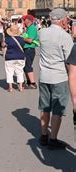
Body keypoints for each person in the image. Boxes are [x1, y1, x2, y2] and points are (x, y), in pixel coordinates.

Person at [38, 8, 73, 149]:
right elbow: (70, 59)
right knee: (57, 109)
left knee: (44, 107)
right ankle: (53, 140)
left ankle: (44, 136)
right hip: (59, 76)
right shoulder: (64, 36)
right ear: (63, 20)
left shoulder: (42, 33)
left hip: (44, 75)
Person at [3, 25, 25, 92]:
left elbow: (3, 45)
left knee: (9, 72)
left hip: (10, 57)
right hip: (20, 57)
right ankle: (20, 87)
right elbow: (23, 46)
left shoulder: (7, 39)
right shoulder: (22, 39)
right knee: (20, 72)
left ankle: (10, 88)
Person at [22, 14, 38, 89]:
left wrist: (22, 38)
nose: (23, 21)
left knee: (28, 66)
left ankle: (33, 83)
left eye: (24, 20)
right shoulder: (28, 28)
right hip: (27, 49)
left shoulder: (32, 28)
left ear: (28, 20)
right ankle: (29, 82)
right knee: (25, 67)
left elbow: (30, 40)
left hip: (29, 49)